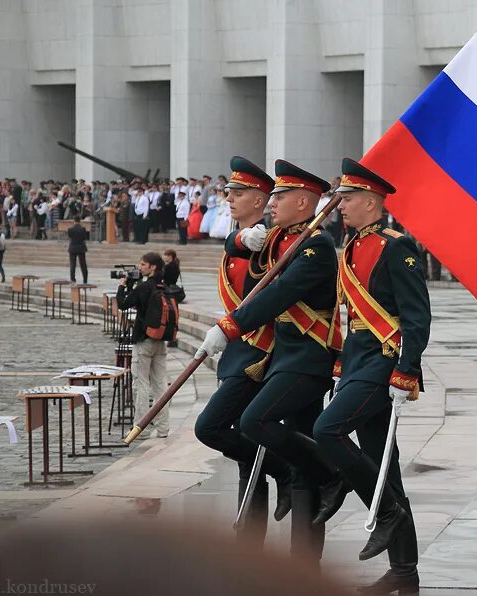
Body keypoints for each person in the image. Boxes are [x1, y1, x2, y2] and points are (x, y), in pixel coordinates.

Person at [198, 159, 345, 565]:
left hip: (308, 357)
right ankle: (300, 561)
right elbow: (244, 253)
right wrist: (242, 240)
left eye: (278, 197)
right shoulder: (283, 239)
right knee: (298, 461)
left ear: (303, 202)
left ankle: (307, 556)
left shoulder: (315, 245)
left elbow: (277, 296)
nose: (272, 204)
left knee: (269, 434)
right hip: (284, 357)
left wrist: (230, 327)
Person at [312, 158, 430, 594]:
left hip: (385, 361)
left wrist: (407, 369)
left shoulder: (396, 246)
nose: (339, 205)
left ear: (371, 201)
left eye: (347, 198)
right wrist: (343, 361)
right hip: (360, 359)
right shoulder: (351, 246)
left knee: (328, 430)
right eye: (339, 198)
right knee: (385, 466)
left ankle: (383, 514)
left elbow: (417, 318)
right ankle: (404, 570)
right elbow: (349, 313)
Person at [192, 156, 292, 546]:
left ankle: (284, 469)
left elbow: (259, 254)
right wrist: (238, 238)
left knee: (209, 427)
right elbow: (234, 243)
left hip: (256, 354)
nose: (230, 199)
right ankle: (249, 544)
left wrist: (247, 239)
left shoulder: (266, 240)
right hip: (236, 354)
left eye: (240, 193)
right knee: (247, 458)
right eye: (229, 192)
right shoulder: (243, 236)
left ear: (261, 199)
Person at [116, 251, 170, 439]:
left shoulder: (145, 286)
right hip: (160, 341)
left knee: (141, 383)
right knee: (160, 384)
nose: (140, 267)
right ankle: (163, 428)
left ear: (152, 267)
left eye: (143, 264)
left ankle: (141, 427)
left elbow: (123, 304)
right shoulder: (163, 285)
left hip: (144, 341)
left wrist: (122, 287)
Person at [67, 215, 89, 284]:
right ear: (80, 221)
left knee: (72, 265)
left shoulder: (70, 229)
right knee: (83, 265)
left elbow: (70, 237)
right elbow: (85, 238)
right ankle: (85, 279)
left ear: (74, 221)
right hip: (81, 247)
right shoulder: (83, 229)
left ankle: (73, 279)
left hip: (73, 247)